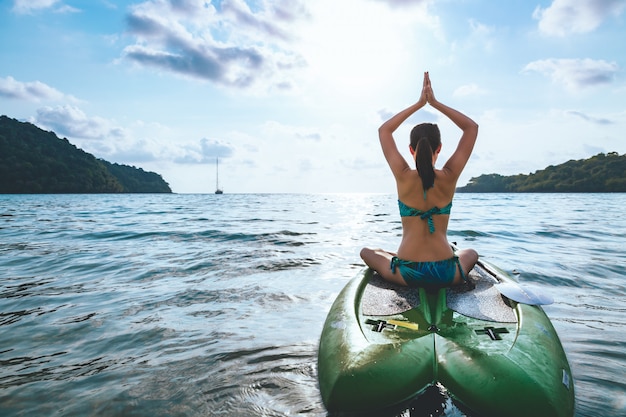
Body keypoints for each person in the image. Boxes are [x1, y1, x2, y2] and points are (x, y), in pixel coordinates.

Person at [360, 72, 479, 287]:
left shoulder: (403, 176)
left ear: (411, 149)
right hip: (446, 273)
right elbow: (471, 128)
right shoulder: (449, 176)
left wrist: (419, 104)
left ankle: (393, 254)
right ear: (439, 149)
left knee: (367, 252)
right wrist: (434, 103)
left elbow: (384, 130)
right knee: (470, 252)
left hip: (408, 272)